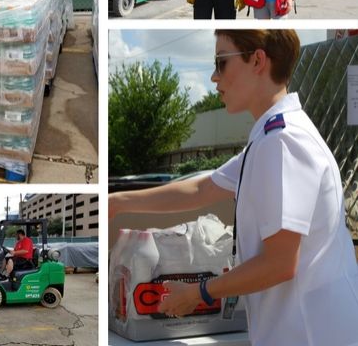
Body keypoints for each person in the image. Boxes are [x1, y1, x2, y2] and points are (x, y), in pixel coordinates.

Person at [109, 30, 358, 346]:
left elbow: (280, 263)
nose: (213, 77)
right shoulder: (271, 136)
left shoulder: (282, 142)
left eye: (221, 62)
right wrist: (118, 201)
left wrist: (199, 292)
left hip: (310, 332)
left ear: (257, 60)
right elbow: (202, 189)